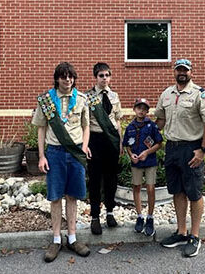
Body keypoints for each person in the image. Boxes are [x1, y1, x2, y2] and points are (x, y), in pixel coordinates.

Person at [155, 58, 205, 257]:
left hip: (192, 149)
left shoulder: (200, 94)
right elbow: (160, 121)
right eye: (179, 69)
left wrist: (203, 150)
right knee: (177, 191)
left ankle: (195, 236)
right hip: (172, 148)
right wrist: (144, 139)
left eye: (185, 70)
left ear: (191, 72)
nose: (182, 72)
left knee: (194, 193)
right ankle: (181, 232)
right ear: (174, 72)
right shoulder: (166, 93)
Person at [32, 62, 91, 262]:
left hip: (75, 153)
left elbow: (86, 126)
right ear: (57, 78)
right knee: (55, 197)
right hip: (55, 153)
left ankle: (72, 238)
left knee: (73, 196)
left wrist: (83, 148)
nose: (68, 80)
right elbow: (41, 128)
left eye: (71, 77)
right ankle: (56, 239)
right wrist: (41, 155)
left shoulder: (82, 99)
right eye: (64, 76)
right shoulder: (47, 100)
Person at [85, 62, 123, 235]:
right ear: (96, 77)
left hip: (111, 141)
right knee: (94, 180)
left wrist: (120, 143)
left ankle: (110, 212)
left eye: (107, 75)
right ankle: (94, 217)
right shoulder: (88, 97)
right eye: (101, 75)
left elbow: (118, 121)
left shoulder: (114, 96)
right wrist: (85, 145)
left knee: (111, 178)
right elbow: (83, 123)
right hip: (95, 140)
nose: (104, 78)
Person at [122, 98, 163, 236]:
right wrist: (131, 155)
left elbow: (159, 143)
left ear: (147, 111)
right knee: (137, 187)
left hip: (150, 161)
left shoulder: (151, 126)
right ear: (134, 109)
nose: (141, 111)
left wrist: (147, 152)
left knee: (150, 188)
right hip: (136, 163)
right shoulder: (130, 127)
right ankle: (139, 216)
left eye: (144, 109)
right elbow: (127, 144)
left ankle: (150, 217)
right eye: (139, 108)